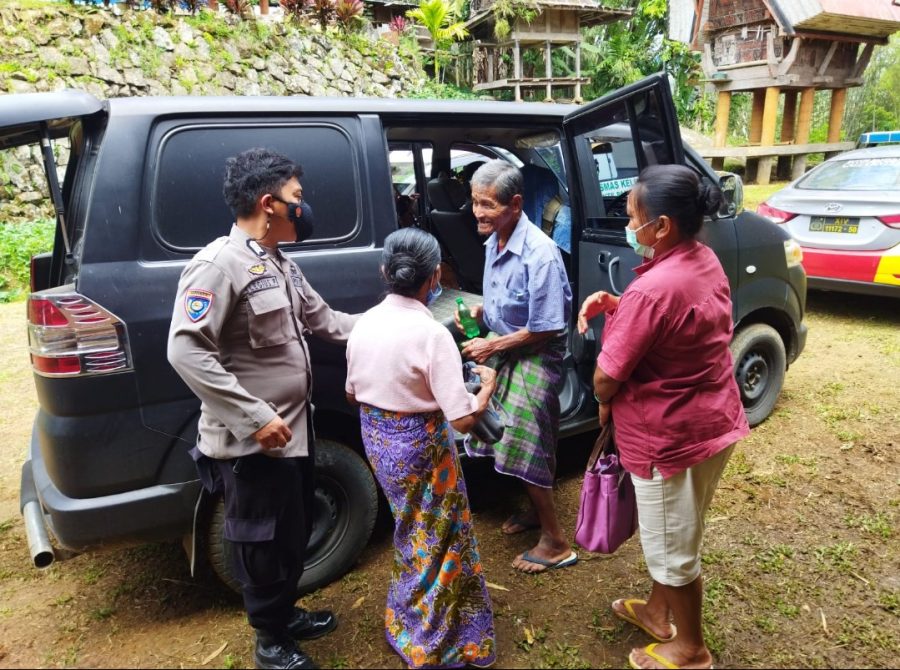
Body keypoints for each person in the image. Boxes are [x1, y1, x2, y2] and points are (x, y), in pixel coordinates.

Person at [168, 148, 358, 670]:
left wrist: (398, 324)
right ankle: (269, 642)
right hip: (256, 441)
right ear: (268, 203)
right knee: (262, 541)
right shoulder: (217, 265)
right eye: (298, 198)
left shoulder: (279, 264)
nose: (304, 207)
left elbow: (329, 323)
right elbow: (185, 350)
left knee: (292, 533)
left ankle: (284, 614)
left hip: (294, 432)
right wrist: (255, 417)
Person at [577, 164, 750, 670]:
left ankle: (691, 649)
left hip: (668, 437)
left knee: (675, 548)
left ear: (663, 226)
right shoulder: (702, 260)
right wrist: (620, 304)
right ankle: (658, 611)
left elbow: (607, 378)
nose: (629, 225)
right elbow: (676, 325)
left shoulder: (655, 289)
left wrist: (620, 326)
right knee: (680, 527)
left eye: (633, 216)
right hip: (713, 422)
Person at [345, 228, 498, 669]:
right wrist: (485, 387)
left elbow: (353, 394)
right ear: (435, 278)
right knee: (440, 538)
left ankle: (408, 621)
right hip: (421, 448)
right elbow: (463, 419)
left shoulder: (364, 324)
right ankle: (435, 641)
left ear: (384, 271)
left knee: (411, 531)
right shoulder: (431, 335)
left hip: (378, 442)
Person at [455, 159, 576, 574]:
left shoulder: (540, 254)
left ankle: (556, 541)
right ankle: (532, 509)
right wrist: (481, 311)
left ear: (516, 204)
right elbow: (505, 304)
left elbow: (547, 327)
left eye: (487, 204)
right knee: (524, 440)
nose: (478, 213)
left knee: (523, 440)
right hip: (508, 348)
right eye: (474, 202)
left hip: (536, 355)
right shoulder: (495, 240)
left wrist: (493, 346)